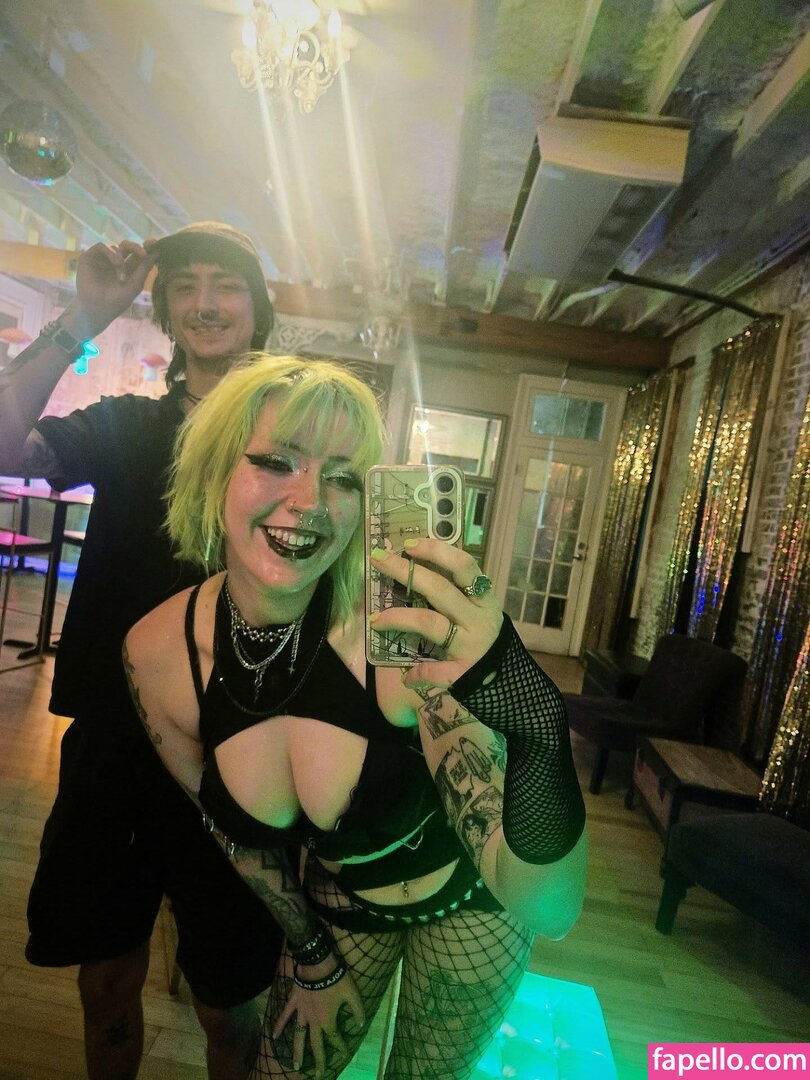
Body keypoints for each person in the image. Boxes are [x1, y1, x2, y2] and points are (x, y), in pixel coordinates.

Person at [123, 354, 588, 1080]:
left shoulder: (398, 636)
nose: (309, 500)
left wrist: (536, 726)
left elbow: (548, 906)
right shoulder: (158, 655)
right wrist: (310, 953)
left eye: (342, 478)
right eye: (276, 461)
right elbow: (231, 832)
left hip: (471, 901)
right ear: (215, 472)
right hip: (343, 902)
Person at [0, 223, 284, 1079]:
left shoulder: (292, 440)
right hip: (116, 744)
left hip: (246, 743)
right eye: (186, 285)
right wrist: (81, 319)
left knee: (230, 1005)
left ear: (257, 308)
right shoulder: (127, 426)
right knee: (106, 979)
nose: (206, 302)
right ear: (164, 312)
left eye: (226, 284)